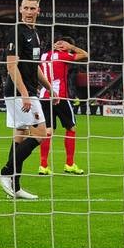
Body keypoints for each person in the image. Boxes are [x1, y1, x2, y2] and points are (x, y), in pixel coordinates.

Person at [0, 0, 48, 200]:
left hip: (27, 91)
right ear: (19, 9)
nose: (28, 12)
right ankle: (6, 172)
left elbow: (34, 68)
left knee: (20, 136)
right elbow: (11, 66)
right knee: (41, 134)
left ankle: (14, 188)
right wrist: (25, 94)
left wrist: (49, 89)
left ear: (38, 11)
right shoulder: (16, 31)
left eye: (32, 8)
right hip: (20, 92)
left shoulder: (34, 33)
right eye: (25, 8)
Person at [37, 37, 88, 175]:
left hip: (44, 96)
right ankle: (69, 164)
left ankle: (43, 166)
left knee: (48, 131)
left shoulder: (44, 55)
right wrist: (71, 47)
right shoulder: (63, 55)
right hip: (59, 97)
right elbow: (85, 55)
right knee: (71, 127)